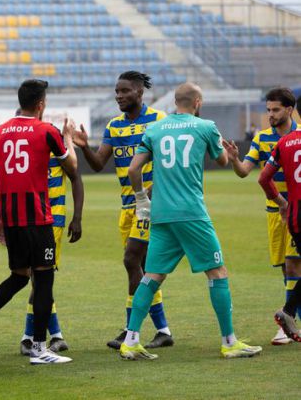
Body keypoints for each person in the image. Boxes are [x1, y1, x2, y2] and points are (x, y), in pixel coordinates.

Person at [121, 83, 261, 360]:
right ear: (198, 101)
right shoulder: (206, 126)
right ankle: (229, 341)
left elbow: (134, 168)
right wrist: (231, 155)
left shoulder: (155, 129)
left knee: (152, 276)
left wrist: (141, 200)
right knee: (217, 272)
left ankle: (130, 340)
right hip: (192, 213)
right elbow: (222, 161)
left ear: (175, 102)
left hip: (161, 215)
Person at [0, 79, 81, 365]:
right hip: (38, 218)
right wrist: (67, 138)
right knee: (44, 279)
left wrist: (0, 217)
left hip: (13, 219)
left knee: (19, 276)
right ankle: (40, 348)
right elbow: (73, 168)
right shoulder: (47, 131)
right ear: (41, 104)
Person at [72, 71, 173, 350]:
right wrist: (84, 146)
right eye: (116, 91)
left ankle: (132, 331)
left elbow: (169, 161)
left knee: (131, 261)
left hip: (150, 207)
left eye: (124, 91)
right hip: (127, 206)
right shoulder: (114, 126)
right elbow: (97, 164)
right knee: (141, 268)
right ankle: (162, 330)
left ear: (140, 93)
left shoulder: (158, 120)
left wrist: (153, 192)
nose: (119, 96)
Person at [223, 87, 299, 345]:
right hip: (273, 212)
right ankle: (291, 317)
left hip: (294, 210)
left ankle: (288, 323)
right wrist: (234, 159)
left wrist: (285, 203)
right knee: (284, 268)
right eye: (268, 110)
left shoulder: (297, 137)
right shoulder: (262, 138)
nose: (270, 114)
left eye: (275, 109)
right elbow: (245, 171)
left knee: (293, 264)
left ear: (289, 109)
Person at [20, 110, 84, 355]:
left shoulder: (52, 145)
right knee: (39, 279)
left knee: (40, 279)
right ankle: (52, 334)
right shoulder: (23, 154)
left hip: (51, 222)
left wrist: (76, 217)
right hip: (28, 222)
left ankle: (31, 337)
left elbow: (76, 177)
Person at [258, 94, 301, 343]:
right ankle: (287, 312)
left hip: (294, 215)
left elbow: (263, 178)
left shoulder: (284, 142)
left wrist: (282, 203)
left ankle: (288, 312)